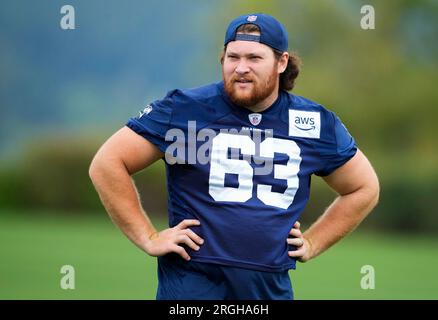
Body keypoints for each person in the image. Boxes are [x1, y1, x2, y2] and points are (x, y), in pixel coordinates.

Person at [89, 13, 379, 300]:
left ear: (281, 62)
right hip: (193, 288)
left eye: (254, 58)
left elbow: (363, 188)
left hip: (268, 291)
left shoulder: (313, 122)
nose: (241, 68)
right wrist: (148, 237)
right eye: (233, 57)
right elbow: (107, 163)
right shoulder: (185, 109)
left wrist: (314, 242)